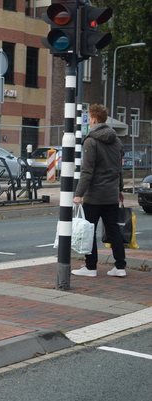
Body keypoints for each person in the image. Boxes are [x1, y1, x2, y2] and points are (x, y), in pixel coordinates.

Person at [72, 104, 126, 278]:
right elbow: (118, 170)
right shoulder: (117, 141)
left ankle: (90, 267)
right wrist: (120, 190)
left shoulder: (91, 141)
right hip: (111, 195)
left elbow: (87, 171)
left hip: (94, 196)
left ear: (93, 120)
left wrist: (78, 194)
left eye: (89, 118)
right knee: (114, 230)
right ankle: (120, 267)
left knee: (89, 231)